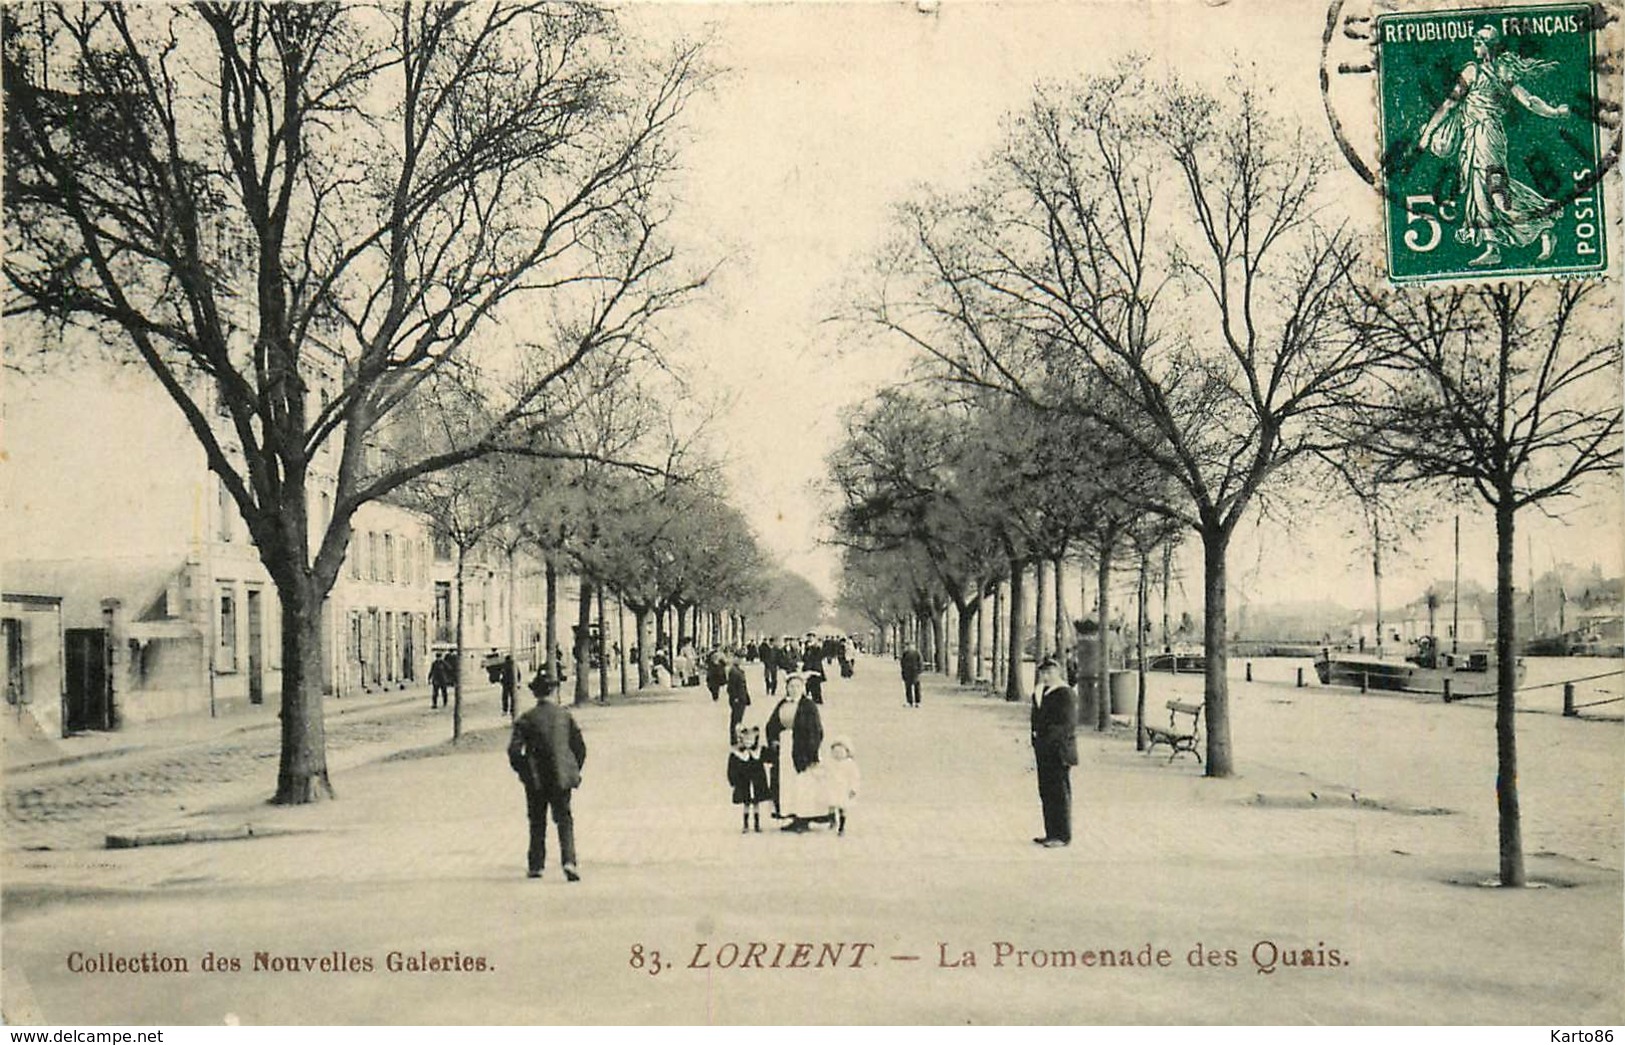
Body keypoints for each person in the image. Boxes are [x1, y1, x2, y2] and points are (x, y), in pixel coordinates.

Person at [1417, 25, 1571, 267]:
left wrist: (1554, 112)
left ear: (1488, 45)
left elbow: (1527, 100)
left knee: (1497, 193)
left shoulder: (1484, 71)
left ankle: (1543, 225)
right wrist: (1555, 113)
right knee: (1479, 191)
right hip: (1474, 137)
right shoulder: (1486, 70)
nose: (1474, 46)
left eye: (1478, 42)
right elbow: (1452, 104)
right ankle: (1493, 247)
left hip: (1487, 135)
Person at [507, 673, 586, 881]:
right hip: (561, 775)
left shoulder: (526, 718)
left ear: (535, 693)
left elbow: (514, 751)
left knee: (537, 820)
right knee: (564, 819)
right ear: (554, 691)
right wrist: (573, 768)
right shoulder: (564, 716)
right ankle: (569, 861)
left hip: (536, 778)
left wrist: (524, 771)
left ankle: (536, 865)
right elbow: (579, 747)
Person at [765, 673, 823, 831]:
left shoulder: (808, 706)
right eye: (791, 686)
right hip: (784, 748)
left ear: (803, 688)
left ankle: (803, 819)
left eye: (797, 686)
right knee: (787, 784)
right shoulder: (783, 704)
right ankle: (791, 815)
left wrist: (811, 752)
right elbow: (771, 725)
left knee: (803, 784)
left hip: (802, 749)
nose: (794, 689)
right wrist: (774, 741)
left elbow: (816, 730)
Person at [1030, 657, 1078, 848]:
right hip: (1043, 749)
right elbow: (1036, 718)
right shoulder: (1040, 691)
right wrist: (1035, 741)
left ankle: (1062, 835)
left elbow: (1065, 725)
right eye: (1043, 673)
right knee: (1046, 791)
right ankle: (1051, 832)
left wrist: (1046, 741)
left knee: (1059, 792)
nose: (1046, 676)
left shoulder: (1065, 693)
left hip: (1059, 751)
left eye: (1050, 672)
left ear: (1057, 673)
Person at [727, 725, 770, 833]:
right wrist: (733, 780)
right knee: (747, 802)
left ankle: (756, 824)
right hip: (744, 782)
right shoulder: (738, 754)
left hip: (756, 782)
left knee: (755, 802)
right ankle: (746, 824)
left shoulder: (758, 751)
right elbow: (732, 768)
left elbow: (770, 757)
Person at [823, 737, 860, 837]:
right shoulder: (830, 763)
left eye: (840, 752)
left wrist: (853, 789)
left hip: (843, 789)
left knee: (843, 808)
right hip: (831, 788)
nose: (837, 754)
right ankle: (832, 820)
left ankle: (842, 826)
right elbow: (824, 773)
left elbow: (854, 778)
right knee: (831, 805)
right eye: (835, 752)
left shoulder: (849, 764)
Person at [726, 651, 752, 742]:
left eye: (742, 658)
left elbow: (744, 686)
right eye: (739, 658)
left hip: (742, 699)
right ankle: (734, 739)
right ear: (735, 658)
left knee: (738, 720)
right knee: (736, 720)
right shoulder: (734, 671)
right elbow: (730, 688)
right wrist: (735, 698)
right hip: (738, 700)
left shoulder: (738, 670)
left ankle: (736, 737)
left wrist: (747, 698)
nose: (741, 660)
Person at [900, 643, 923, 708]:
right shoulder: (906, 654)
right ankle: (911, 702)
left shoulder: (916, 653)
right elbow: (902, 663)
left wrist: (920, 670)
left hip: (914, 672)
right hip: (909, 672)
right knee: (909, 687)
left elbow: (920, 662)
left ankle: (916, 702)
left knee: (915, 687)